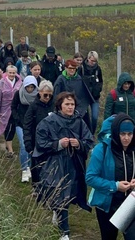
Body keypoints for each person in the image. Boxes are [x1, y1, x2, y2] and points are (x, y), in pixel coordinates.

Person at [35, 91, 94, 240]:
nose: (70, 107)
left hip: (73, 164)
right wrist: (58, 144)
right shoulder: (50, 121)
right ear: (60, 105)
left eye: (72, 104)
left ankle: (58, 213)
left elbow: (88, 140)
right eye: (67, 104)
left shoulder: (79, 121)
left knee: (69, 194)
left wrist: (79, 144)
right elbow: (41, 142)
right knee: (60, 193)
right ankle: (65, 233)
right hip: (54, 164)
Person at [86, 113, 135, 240]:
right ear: (115, 132)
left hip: (130, 203)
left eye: (129, 134)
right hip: (107, 204)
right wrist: (115, 186)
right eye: (122, 134)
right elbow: (90, 177)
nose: (126, 138)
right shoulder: (101, 149)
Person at [23, 80, 54, 190]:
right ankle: (36, 188)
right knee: (36, 166)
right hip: (36, 142)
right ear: (40, 92)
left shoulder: (54, 106)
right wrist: (27, 142)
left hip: (51, 142)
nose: (47, 97)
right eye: (45, 94)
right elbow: (26, 125)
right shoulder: (33, 107)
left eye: (50, 95)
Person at [11, 76, 38, 182]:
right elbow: (13, 106)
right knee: (23, 145)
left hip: (32, 125)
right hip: (20, 124)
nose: (30, 89)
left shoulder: (37, 96)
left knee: (31, 146)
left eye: (32, 87)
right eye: (28, 87)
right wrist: (17, 118)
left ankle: (30, 166)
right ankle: (24, 169)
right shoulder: (19, 93)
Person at [53, 59, 94, 129]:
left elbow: (84, 96)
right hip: (64, 111)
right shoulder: (60, 80)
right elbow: (56, 97)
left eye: (74, 68)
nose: (72, 70)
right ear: (65, 68)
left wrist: (81, 110)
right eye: (70, 68)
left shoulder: (80, 79)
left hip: (80, 110)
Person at [0, 65, 22, 157]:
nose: (12, 74)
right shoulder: (1, 83)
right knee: (8, 127)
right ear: (7, 73)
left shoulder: (20, 83)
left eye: (13, 73)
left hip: (16, 109)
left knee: (14, 127)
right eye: (10, 72)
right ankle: (10, 149)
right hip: (5, 109)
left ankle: (10, 146)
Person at [78, 51, 103, 134]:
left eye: (95, 61)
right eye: (91, 60)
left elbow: (100, 81)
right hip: (84, 96)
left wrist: (98, 89)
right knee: (83, 116)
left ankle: (92, 133)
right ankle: (84, 132)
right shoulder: (82, 68)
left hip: (95, 97)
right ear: (88, 59)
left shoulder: (98, 69)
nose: (93, 63)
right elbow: (78, 80)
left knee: (95, 117)